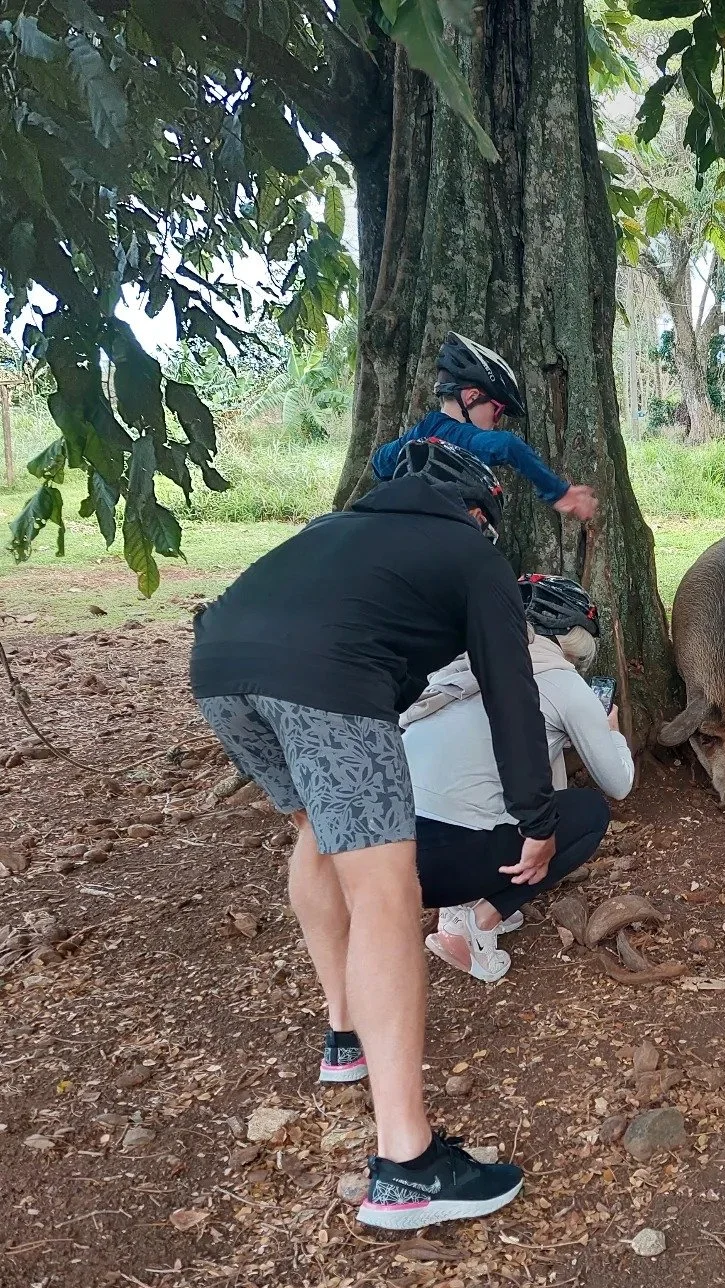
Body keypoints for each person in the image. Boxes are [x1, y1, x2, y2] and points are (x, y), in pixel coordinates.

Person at [191, 438, 551, 1229]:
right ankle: (407, 1166)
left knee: (318, 834)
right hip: (327, 676)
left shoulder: (335, 531)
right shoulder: (472, 553)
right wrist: (535, 812)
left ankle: (344, 1034)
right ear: (480, 512)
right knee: (388, 892)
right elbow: (511, 691)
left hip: (217, 667)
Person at [401, 575, 634, 981]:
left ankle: (462, 904)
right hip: (445, 865)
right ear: (569, 637)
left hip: (382, 860)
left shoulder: (459, 663)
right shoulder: (562, 681)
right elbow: (619, 783)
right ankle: (476, 921)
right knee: (589, 814)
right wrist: (611, 733)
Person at [371, 332, 597, 521]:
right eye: (497, 411)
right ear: (471, 397)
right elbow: (508, 445)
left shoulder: (420, 433)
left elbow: (379, 463)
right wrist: (559, 492)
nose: (495, 422)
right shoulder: (455, 435)